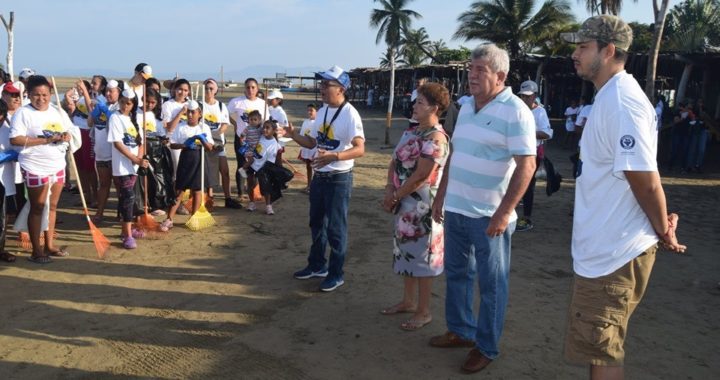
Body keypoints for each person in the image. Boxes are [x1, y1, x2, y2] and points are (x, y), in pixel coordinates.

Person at [561, 15, 687, 379]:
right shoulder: (610, 97)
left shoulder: (622, 102)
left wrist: (663, 228)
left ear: (609, 50)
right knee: (600, 347)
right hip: (605, 248)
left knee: (603, 350)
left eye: (583, 47)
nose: (575, 53)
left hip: (613, 253)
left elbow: (645, 180)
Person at [428, 44, 536, 374]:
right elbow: (455, 157)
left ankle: (486, 346)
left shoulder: (516, 111)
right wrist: (440, 196)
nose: (472, 76)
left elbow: (527, 166)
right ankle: (461, 330)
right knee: (458, 274)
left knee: (492, 285)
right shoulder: (467, 108)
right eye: (471, 70)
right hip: (458, 209)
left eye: (481, 71)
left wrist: (504, 212)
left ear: (500, 76)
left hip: (490, 216)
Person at [284, 65, 365, 292]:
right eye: (321, 83)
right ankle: (317, 265)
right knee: (316, 222)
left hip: (339, 177)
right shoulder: (323, 111)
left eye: (326, 84)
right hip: (320, 176)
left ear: (341, 89)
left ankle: (336, 273)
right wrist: (294, 136)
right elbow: (313, 143)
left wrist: (335, 156)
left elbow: (360, 149)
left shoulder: (350, 114)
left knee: (336, 228)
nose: (321, 87)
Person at [380, 82, 450, 331]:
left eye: (420, 102)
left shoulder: (436, 137)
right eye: (416, 101)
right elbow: (394, 162)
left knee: (424, 260)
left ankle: (424, 311)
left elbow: (423, 175)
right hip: (404, 203)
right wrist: (390, 189)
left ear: (435, 107)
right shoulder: (412, 132)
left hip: (423, 209)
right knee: (406, 253)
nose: (414, 106)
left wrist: (396, 195)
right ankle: (408, 302)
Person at [9, 75, 81, 263]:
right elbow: (15, 139)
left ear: (50, 93)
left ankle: (49, 245)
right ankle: (36, 250)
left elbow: (70, 130)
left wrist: (66, 135)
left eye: (45, 95)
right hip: (34, 165)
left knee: (53, 206)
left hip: (57, 165)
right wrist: (47, 140)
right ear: (29, 95)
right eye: (36, 95)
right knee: (38, 207)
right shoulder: (23, 113)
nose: (41, 99)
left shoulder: (57, 112)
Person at [160, 100, 214, 231]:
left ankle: (194, 218)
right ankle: (169, 219)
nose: (190, 115)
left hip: (199, 159)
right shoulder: (181, 126)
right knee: (180, 190)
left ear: (199, 113)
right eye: (188, 112)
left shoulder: (204, 127)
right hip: (185, 159)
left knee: (197, 191)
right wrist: (184, 145)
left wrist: (202, 139)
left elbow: (210, 147)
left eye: (193, 112)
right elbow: (172, 144)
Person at [108, 89, 149, 249]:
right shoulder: (115, 118)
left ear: (133, 105)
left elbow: (140, 143)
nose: (126, 105)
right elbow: (117, 143)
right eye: (123, 102)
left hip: (134, 167)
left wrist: (139, 159)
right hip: (122, 167)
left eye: (129, 103)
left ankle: (127, 228)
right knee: (128, 198)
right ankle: (127, 235)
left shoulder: (134, 120)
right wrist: (135, 160)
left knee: (128, 199)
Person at [516, 80, 553, 232]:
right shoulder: (516, 110)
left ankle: (527, 218)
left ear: (535, 96)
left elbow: (547, 133)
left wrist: (528, 133)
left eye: (528, 96)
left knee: (528, 185)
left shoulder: (540, 112)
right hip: (516, 152)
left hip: (532, 153)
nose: (525, 99)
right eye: (522, 96)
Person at [202, 78, 241, 209]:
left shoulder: (220, 106)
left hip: (218, 142)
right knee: (207, 172)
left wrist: (216, 135)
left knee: (224, 170)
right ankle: (208, 198)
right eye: (206, 88)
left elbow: (225, 124)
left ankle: (228, 198)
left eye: (211, 88)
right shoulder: (199, 104)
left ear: (216, 90)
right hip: (204, 142)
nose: (208, 91)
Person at [227, 78, 267, 202]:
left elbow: (266, 121)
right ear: (244, 88)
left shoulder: (262, 103)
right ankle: (240, 192)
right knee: (242, 164)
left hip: (257, 140)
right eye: (248, 87)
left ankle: (254, 191)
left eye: (253, 87)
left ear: (257, 88)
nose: (250, 90)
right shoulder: (237, 102)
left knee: (256, 165)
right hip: (241, 139)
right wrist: (234, 124)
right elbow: (224, 114)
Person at [89, 79, 121, 224]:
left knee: (119, 185)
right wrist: (94, 112)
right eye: (106, 90)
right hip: (100, 152)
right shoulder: (101, 102)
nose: (108, 94)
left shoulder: (120, 107)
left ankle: (122, 213)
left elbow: (117, 124)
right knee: (103, 184)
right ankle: (100, 212)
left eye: (111, 91)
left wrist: (106, 111)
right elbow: (90, 123)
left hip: (115, 153)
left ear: (118, 92)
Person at [247, 120, 284, 215]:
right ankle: (252, 202)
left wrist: (279, 170)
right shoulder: (258, 138)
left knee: (266, 187)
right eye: (264, 127)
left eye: (268, 128)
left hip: (266, 168)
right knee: (250, 183)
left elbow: (278, 159)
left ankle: (268, 205)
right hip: (253, 164)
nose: (264, 129)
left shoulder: (276, 144)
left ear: (274, 130)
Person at [1, 82, 26, 214]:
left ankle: (22, 229)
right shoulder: (2, 115)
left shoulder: (23, 114)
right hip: (4, 168)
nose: (17, 98)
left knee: (21, 199)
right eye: (13, 95)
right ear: (4, 95)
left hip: (20, 167)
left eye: (18, 95)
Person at [0, 99, 19, 263]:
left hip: (5, 180)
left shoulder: (8, 130)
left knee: (4, 216)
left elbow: (18, 150)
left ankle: (1, 248)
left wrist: (9, 155)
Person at [239, 111, 264, 211]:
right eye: (251, 120)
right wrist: (242, 142)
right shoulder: (247, 128)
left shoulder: (261, 129)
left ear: (259, 120)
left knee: (257, 172)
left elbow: (265, 133)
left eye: (255, 120)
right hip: (249, 149)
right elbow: (241, 136)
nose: (253, 122)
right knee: (251, 161)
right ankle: (243, 169)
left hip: (258, 151)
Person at [298, 103, 318, 193]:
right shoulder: (305, 122)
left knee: (315, 168)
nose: (309, 112)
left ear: (317, 111)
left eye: (312, 110)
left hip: (315, 149)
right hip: (306, 148)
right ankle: (309, 185)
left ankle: (315, 187)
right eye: (308, 110)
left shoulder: (318, 122)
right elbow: (302, 134)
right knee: (308, 167)